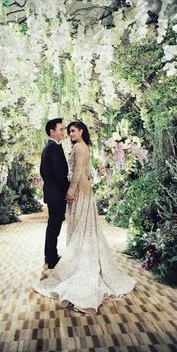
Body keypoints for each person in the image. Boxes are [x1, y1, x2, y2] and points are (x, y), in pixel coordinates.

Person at [34, 120, 136, 314]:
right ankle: (64, 255)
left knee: (81, 224)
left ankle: (76, 257)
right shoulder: (72, 147)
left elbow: (79, 171)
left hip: (79, 190)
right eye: (66, 130)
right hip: (76, 190)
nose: (69, 133)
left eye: (72, 130)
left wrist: (70, 190)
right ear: (52, 131)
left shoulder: (80, 147)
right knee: (77, 225)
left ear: (81, 131)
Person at [40, 118, 69, 269]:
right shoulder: (53, 147)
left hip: (53, 193)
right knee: (54, 226)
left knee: (53, 226)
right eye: (61, 129)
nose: (63, 132)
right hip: (57, 194)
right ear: (52, 131)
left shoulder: (49, 147)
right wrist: (68, 189)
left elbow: (43, 172)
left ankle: (51, 255)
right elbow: (60, 174)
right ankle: (51, 258)